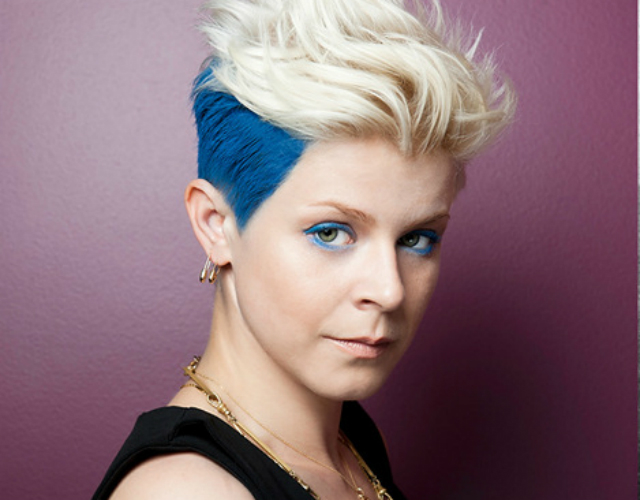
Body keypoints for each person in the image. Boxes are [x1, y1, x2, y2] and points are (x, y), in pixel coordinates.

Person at [92, 0, 515, 498]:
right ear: (216, 225)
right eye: (331, 233)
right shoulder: (187, 491)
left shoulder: (351, 442)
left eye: (416, 238)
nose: (389, 291)